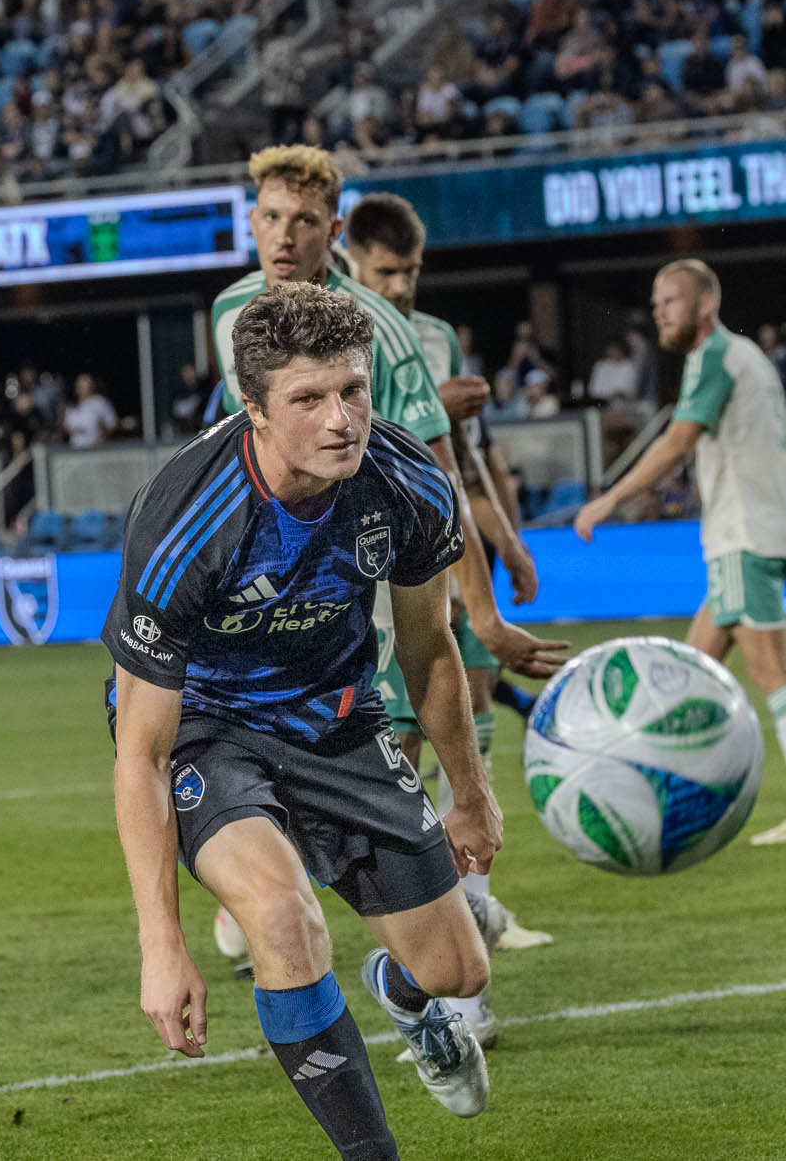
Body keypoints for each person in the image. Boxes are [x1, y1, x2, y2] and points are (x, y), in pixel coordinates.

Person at [107, 283, 498, 1157]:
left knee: (459, 969)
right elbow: (141, 752)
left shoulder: (409, 484)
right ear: (253, 408)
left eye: (353, 389)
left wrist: (471, 795)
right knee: (284, 918)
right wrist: (161, 944)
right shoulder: (183, 521)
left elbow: (430, 648)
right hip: (209, 727)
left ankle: (405, 997)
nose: (341, 419)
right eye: (308, 398)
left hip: (338, 718)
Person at [205, 145, 567, 961]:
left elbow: (437, 479)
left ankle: (447, 935)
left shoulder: (383, 330)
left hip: (372, 577)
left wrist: (482, 608)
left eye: (304, 220)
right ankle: (327, 904)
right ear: (251, 222)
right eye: (271, 217)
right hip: (274, 582)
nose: (284, 236)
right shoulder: (230, 311)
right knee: (281, 749)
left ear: (331, 230)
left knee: (388, 761)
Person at [348, 192, 556, 1035]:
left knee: (470, 734)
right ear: (353, 261)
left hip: (453, 553)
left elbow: (460, 461)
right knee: (397, 762)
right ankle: (433, 967)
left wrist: (507, 541)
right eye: (386, 271)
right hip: (383, 573)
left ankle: (468, 983)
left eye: (411, 271)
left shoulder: (436, 335)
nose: (401, 286)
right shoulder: (342, 332)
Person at [575, 259, 786, 845]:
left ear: (705, 304)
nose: (659, 313)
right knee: (690, 674)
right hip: (746, 534)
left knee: (772, 669)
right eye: (655, 304)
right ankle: (671, 803)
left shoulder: (715, 355)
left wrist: (610, 498)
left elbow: (678, 441)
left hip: (744, 534)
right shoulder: (742, 356)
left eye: (670, 301)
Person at [63, 375, 119, 448]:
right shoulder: (71, 405)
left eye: (85, 386)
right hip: (75, 448)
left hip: (95, 447)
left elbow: (112, 423)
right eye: (80, 386)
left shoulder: (100, 402)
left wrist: (102, 437)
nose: (82, 389)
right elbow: (65, 427)